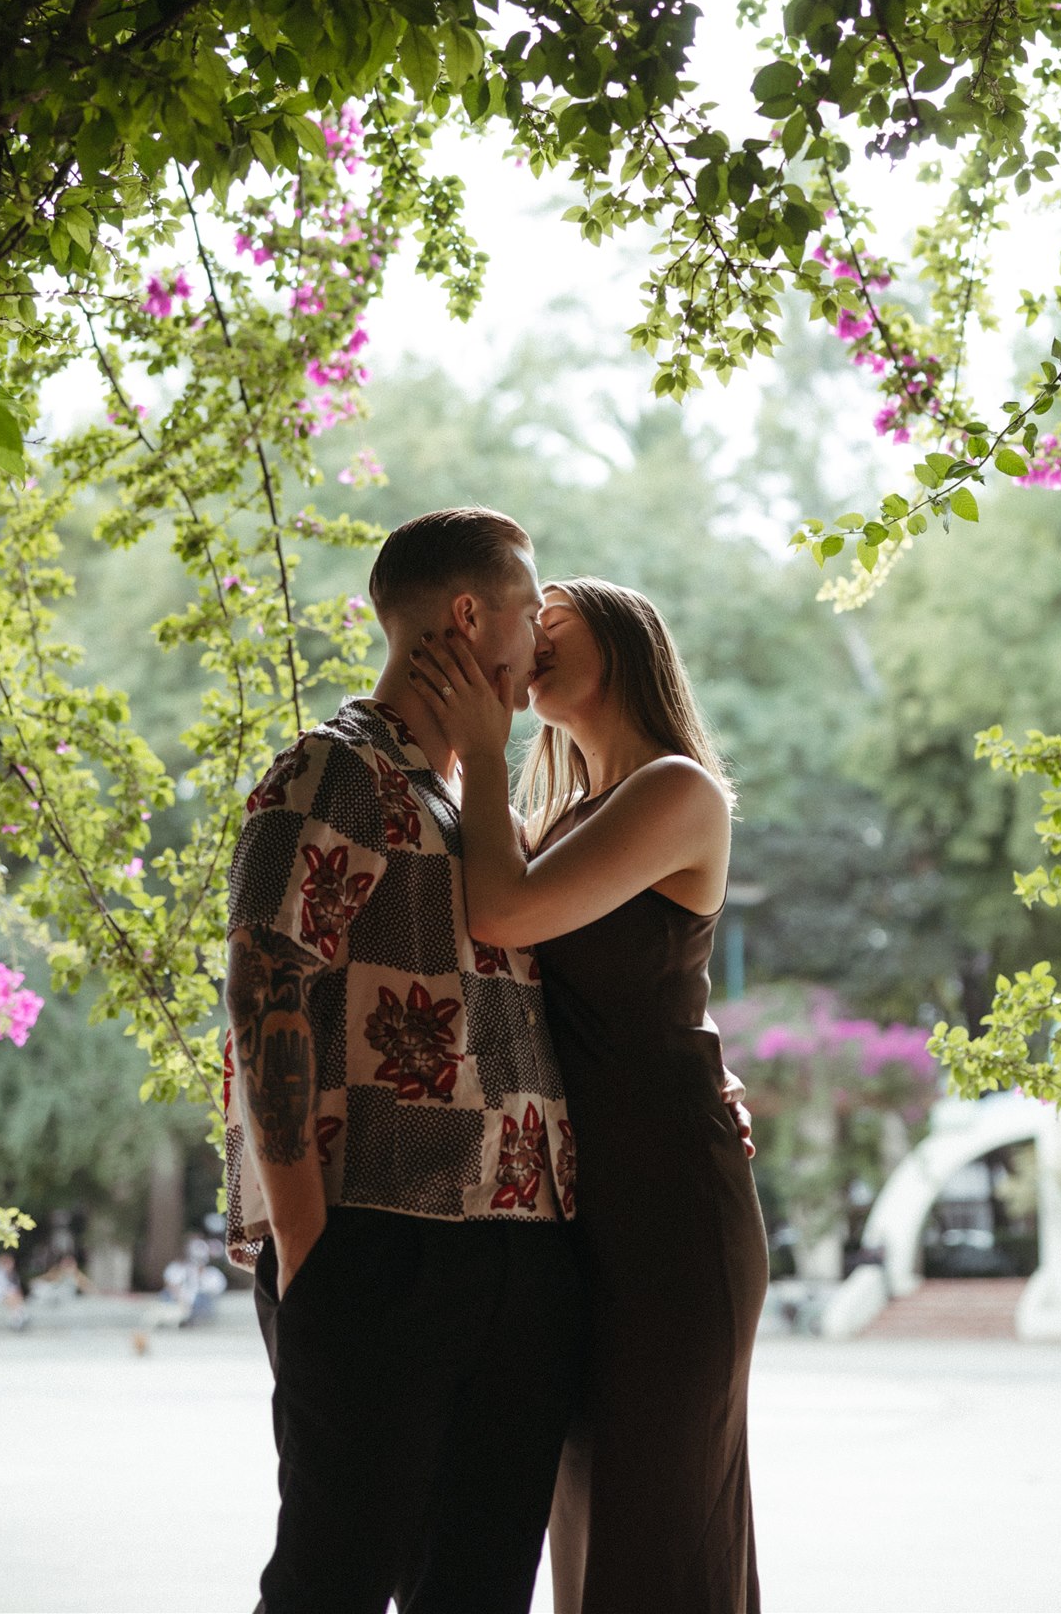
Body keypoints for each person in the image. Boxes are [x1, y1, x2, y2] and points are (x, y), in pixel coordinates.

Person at [223, 508, 584, 1614]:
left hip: (519, 1250)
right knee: (334, 1579)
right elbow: (263, 986)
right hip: (378, 1246)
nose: (539, 640)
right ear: (469, 614)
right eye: (527, 609)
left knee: (477, 1588)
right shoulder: (334, 770)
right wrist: (310, 1248)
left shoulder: (464, 794)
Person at [410, 576, 768, 1614]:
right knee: (587, 1511)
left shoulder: (677, 788)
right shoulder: (555, 812)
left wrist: (480, 749)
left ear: (625, 643)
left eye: (555, 629)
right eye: (533, 632)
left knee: (656, 1519)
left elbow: (505, 913)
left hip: (667, 1196)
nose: (533, 648)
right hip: (574, 1203)